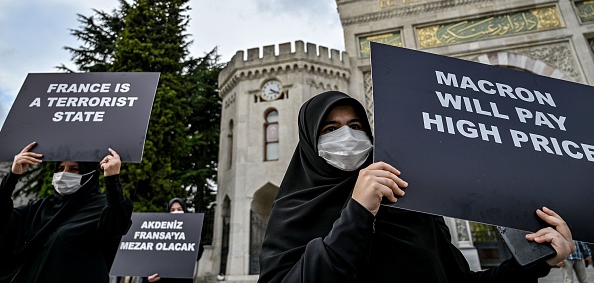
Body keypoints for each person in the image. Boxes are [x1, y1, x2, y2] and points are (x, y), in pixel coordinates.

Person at [258, 91, 576, 283]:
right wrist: (357, 212)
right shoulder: (294, 210)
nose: (347, 137)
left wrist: (534, 264)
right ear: (311, 142)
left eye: (355, 126)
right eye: (331, 128)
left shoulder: (408, 202)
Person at [0, 141, 133, 283]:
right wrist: (13, 176)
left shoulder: (101, 207)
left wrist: (112, 179)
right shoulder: (40, 208)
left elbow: (117, 224)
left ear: (88, 172)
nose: (64, 174)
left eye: (74, 169)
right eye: (60, 168)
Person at [144, 198, 204, 282]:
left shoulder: (190, 230)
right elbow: (149, 258)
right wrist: (148, 278)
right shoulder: (158, 232)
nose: (176, 212)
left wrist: (194, 235)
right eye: (172, 210)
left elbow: (197, 256)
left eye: (179, 209)